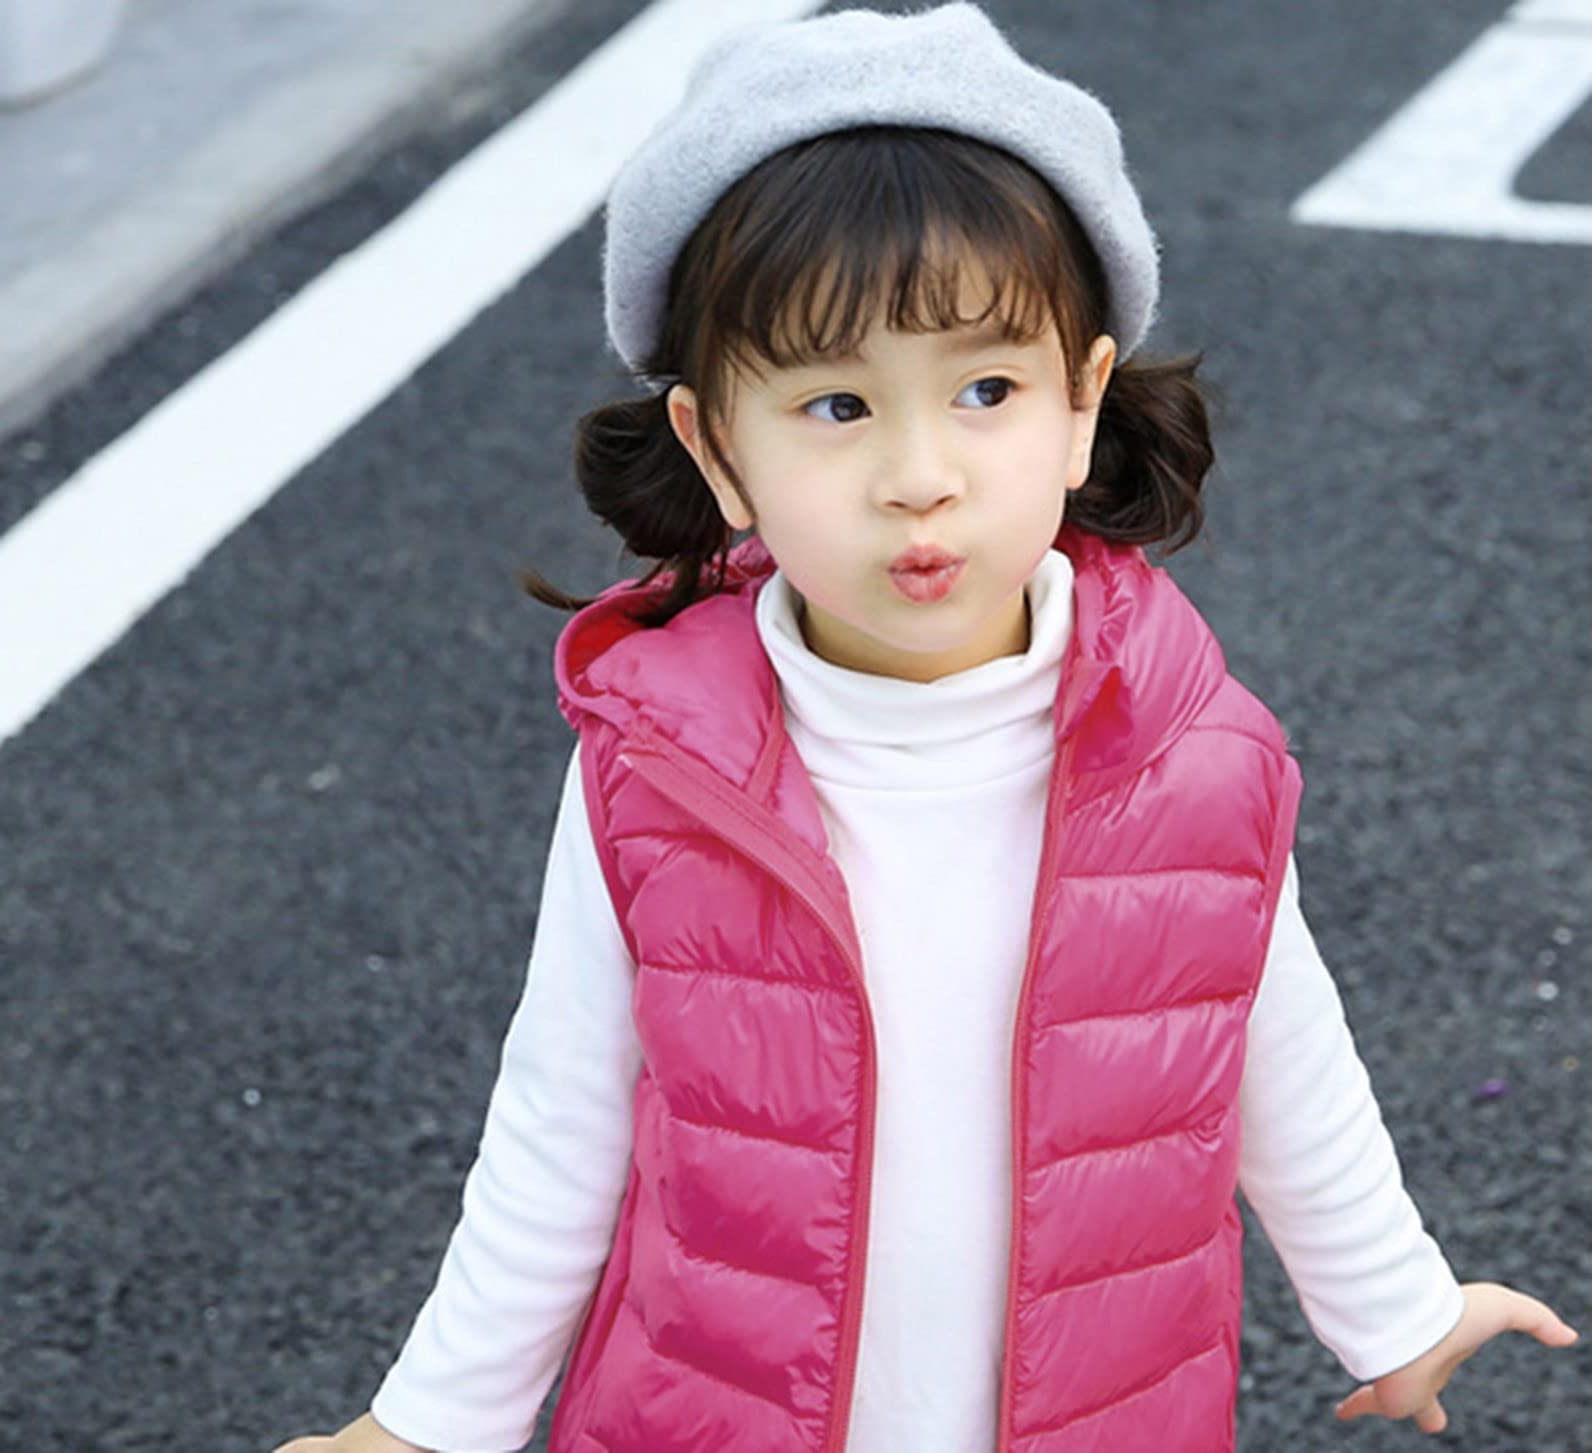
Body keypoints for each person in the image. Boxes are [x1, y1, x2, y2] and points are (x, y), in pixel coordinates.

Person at [271, 6, 1579, 1451]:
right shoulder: (660, 767)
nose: (918, 473)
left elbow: (1273, 1043)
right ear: (717, 450)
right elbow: (560, 1116)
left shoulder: (1189, 749)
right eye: (836, 404)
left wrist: (1393, 1305)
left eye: (986, 390)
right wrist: (429, 1422)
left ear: (1081, 406)